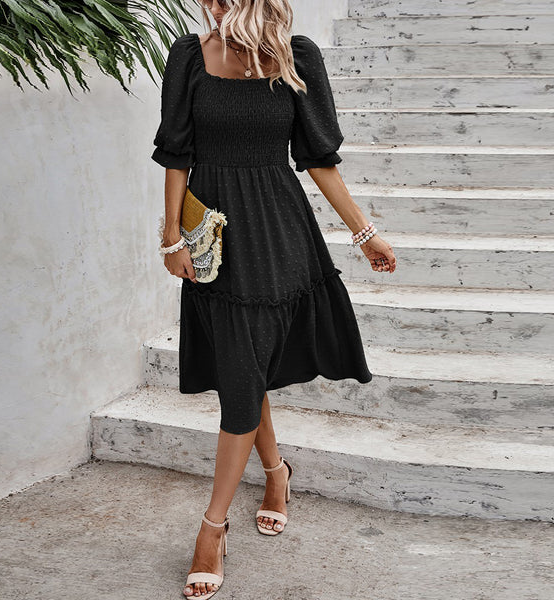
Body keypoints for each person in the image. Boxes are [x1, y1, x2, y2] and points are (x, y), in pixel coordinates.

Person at [151, 1, 397, 598]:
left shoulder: (297, 57)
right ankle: (276, 473)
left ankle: (212, 529)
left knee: (244, 368)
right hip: (215, 236)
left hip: (278, 233)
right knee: (243, 367)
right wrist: (171, 236)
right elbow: (177, 155)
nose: (211, 4)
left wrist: (364, 234)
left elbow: (318, 161)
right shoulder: (189, 57)